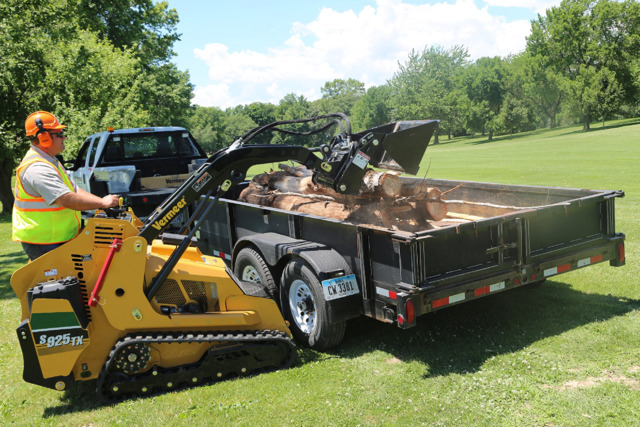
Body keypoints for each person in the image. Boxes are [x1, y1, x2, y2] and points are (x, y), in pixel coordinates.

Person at [12, 111, 120, 261]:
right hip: (45, 243)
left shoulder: (51, 161)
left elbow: (74, 189)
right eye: (59, 134)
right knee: (60, 283)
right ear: (44, 138)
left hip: (56, 239)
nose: (64, 138)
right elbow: (66, 198)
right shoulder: (37, 168)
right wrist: (102, 202)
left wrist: (102, 204)